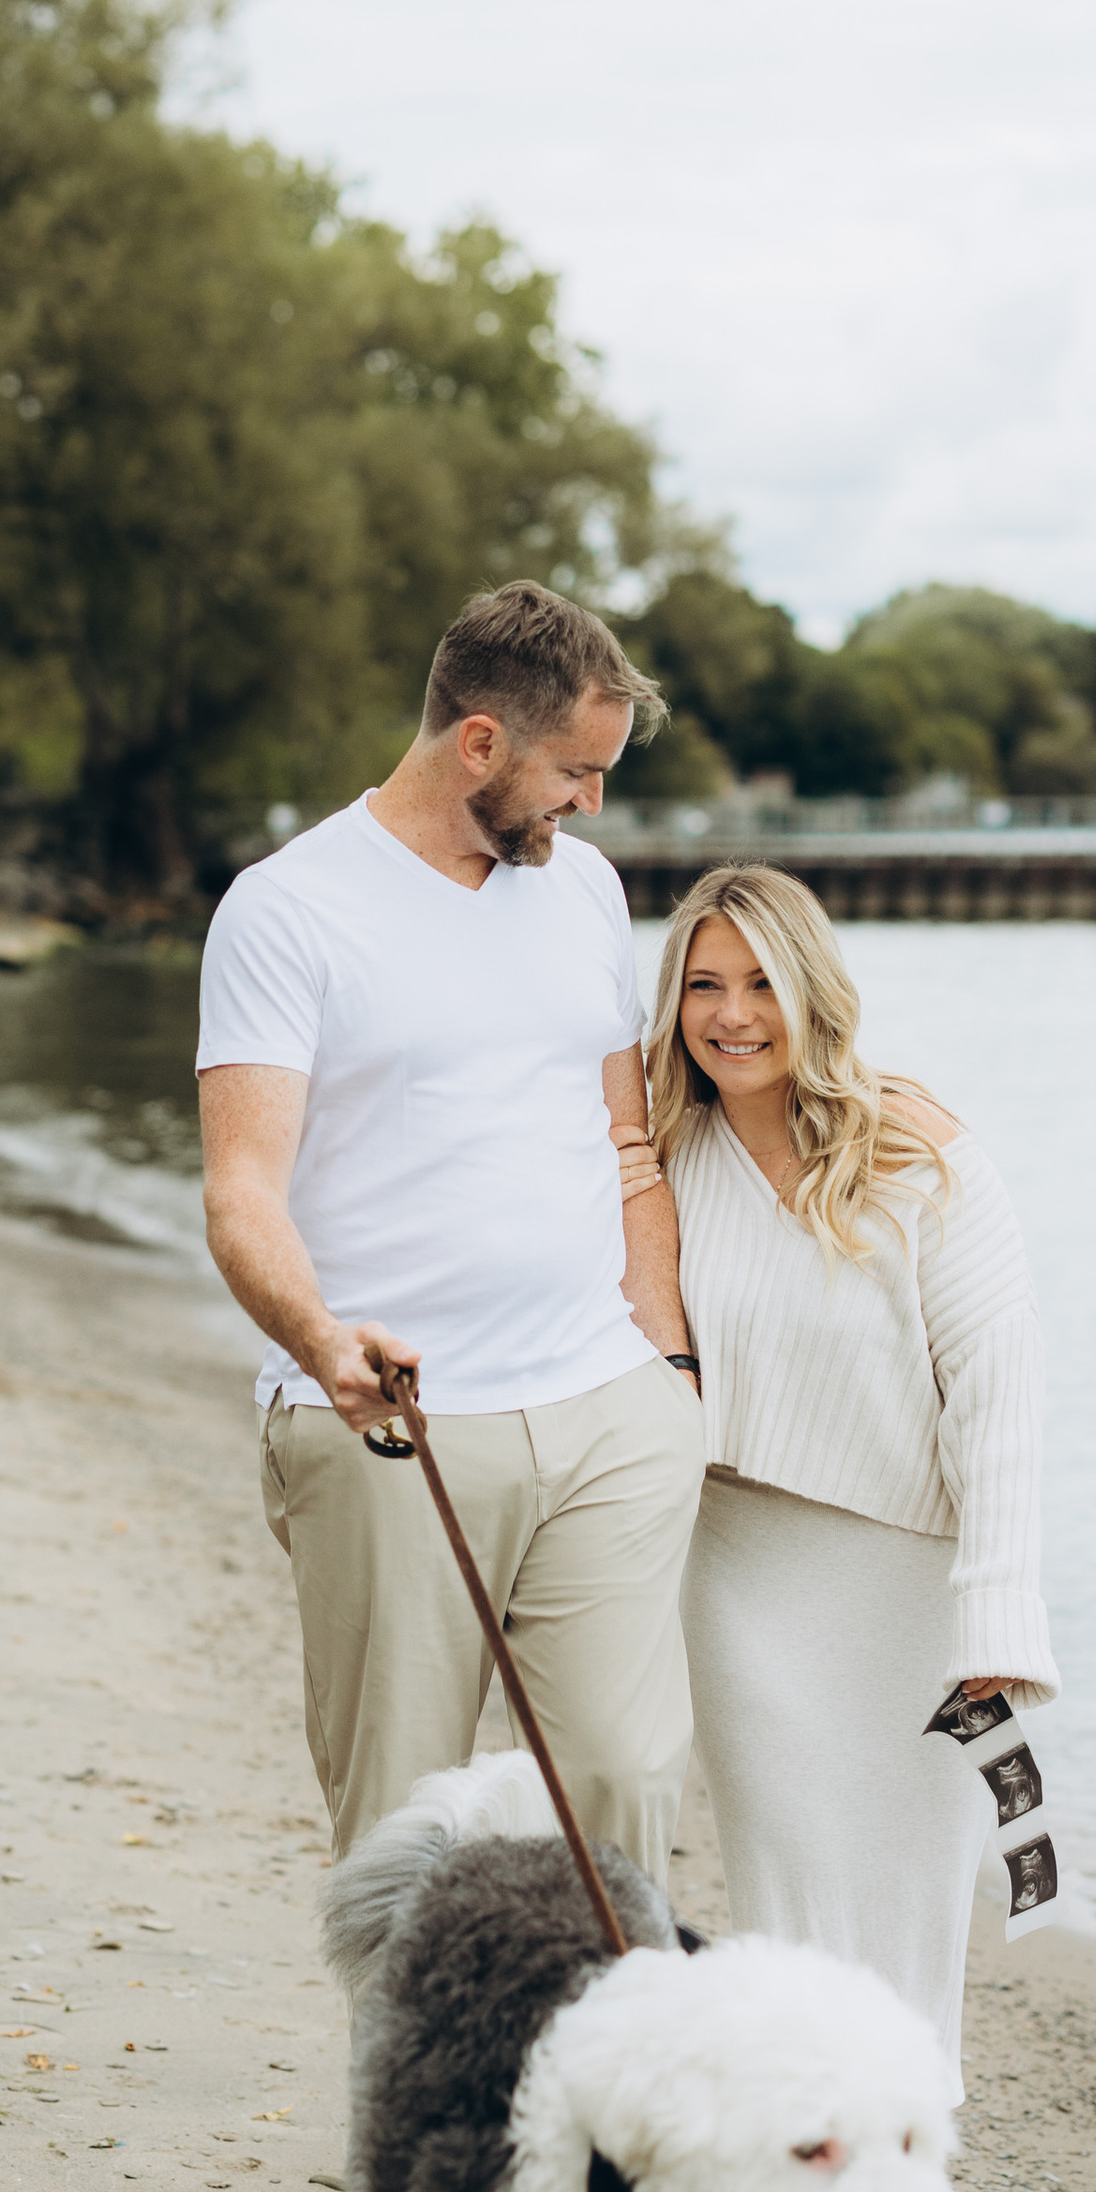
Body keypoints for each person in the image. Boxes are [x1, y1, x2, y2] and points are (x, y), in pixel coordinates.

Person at [196, 580, 705, 1885]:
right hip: (394, 1424)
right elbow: (242, 1188)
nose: (590, 804)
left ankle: (603, 2082)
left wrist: (668, 1366)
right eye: (574, 772)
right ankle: (420, 2092)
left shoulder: (583, 891)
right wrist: (321, 1343)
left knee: (627, 1787)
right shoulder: (286, 908)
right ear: (478, 742)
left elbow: (628, 1140)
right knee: (404, 1830)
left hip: (603, 1408)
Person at [640, 862, 1053, 2080]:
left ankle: (900, 2188)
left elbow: (999, 1392)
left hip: (911, 1590)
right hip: (734, 1572)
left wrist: (1000, 1613)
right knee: (788, 1894)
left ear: (812, 990)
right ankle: (787, 2171)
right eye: (703, 985)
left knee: (914, 1909)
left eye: (761, 981)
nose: (731, 1014)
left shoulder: (920, 1156)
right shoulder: (659, 1162)